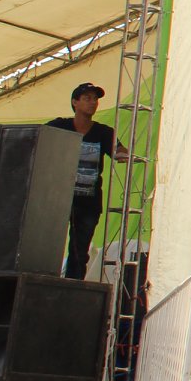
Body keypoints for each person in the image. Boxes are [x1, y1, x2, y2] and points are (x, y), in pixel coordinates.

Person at [47, 82, 128, 280]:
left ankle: (72, 287)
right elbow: (36, 138)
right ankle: (45, 281)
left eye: (95, 99)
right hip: (57, 197)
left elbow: (121, 151)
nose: (92, 103)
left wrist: (121, 154)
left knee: (79, 250)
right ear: (75, 102)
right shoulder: (59, 126)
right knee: (46, 244)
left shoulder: (103, 132)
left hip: (88, 200)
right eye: (87, 98)